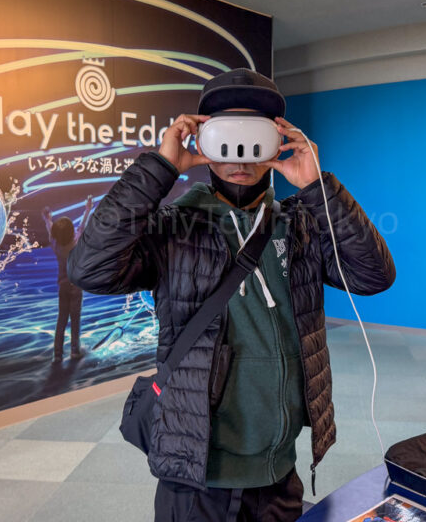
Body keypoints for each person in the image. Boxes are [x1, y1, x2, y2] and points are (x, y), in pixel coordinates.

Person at [67, 69, 395, 521]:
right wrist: (159, 169)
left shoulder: (299, 224)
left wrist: (318, 187)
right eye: (226, 134)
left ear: (278, 139)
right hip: (197, 477)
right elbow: (89, 269)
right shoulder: (173, 227)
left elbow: (373, 275)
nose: (240, 155)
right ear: (202, 140)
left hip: (279, 472)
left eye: (254, 134)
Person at [42, 195, 93, 363]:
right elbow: (83, 225)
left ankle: (57, 354)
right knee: (75, 320)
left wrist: (47, 218)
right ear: (72, 232)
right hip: (76, 287)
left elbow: (51, 229)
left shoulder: (55, 245)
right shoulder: (77, 243)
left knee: (61, 320)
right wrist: (87, 209)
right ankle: (75, 351)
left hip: (62, 287)